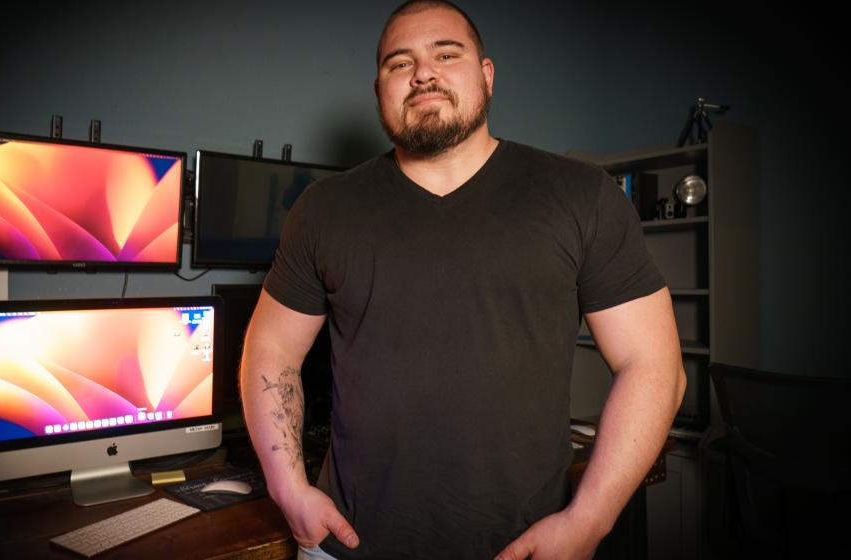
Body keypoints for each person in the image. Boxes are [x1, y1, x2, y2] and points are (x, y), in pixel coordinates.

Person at [239, 1, 687, 558]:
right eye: (399, 64)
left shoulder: (581, 197)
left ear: (486, 75)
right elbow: (272, 348)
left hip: (524, 548)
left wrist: (588, 521)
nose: (423, 72)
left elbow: (654, 366)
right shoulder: (322, 210)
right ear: (379, 88)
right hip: (347, 544)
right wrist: (288, 490)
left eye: (446, 54)